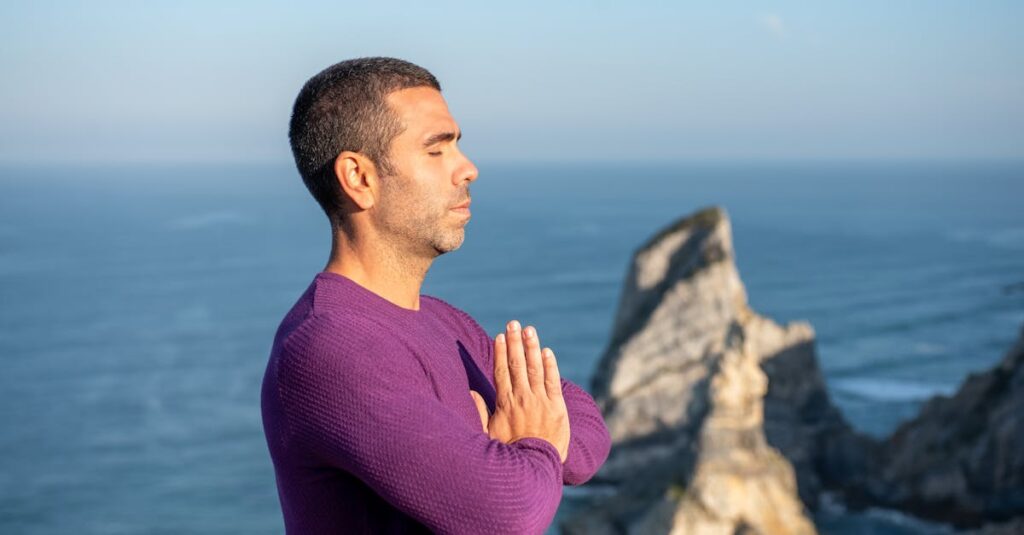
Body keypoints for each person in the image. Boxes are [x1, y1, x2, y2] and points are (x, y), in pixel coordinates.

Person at [260, 57, 611, 535]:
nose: (468, 169)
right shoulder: (328, 349)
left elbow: (589, 440)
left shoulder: (447, 323)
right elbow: (510, 513)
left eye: (458, 145)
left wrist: (514, 449)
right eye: (436, 150)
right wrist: (527, 441)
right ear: (359, 178)